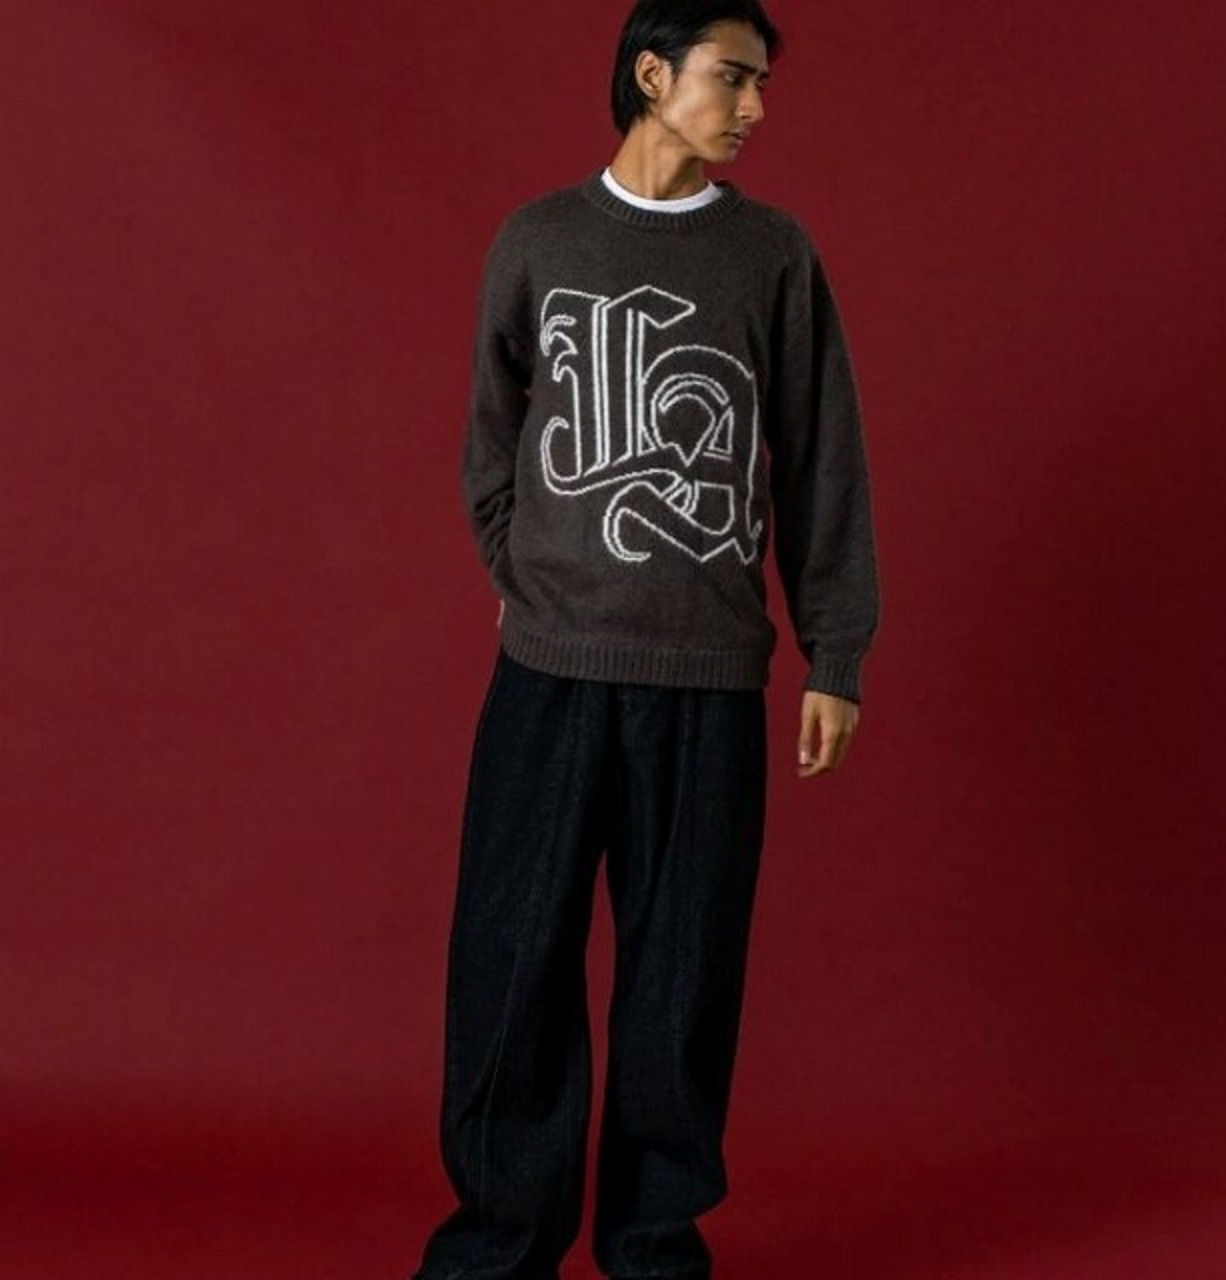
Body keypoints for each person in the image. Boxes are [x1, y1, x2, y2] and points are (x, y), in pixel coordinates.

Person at [408, 2, 879, 1277]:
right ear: (652, 74)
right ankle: (497, 1245)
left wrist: (834, 652)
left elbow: (822, 460)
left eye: (762, 83)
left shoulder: (770, 255)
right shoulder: (539, 239)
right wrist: (529, 576)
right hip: (548, 676)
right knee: (511, 968)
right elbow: (488, 442)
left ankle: (653, 1248)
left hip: (707, 682)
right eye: (734, 77)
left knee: (680, 985)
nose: (755, 107)